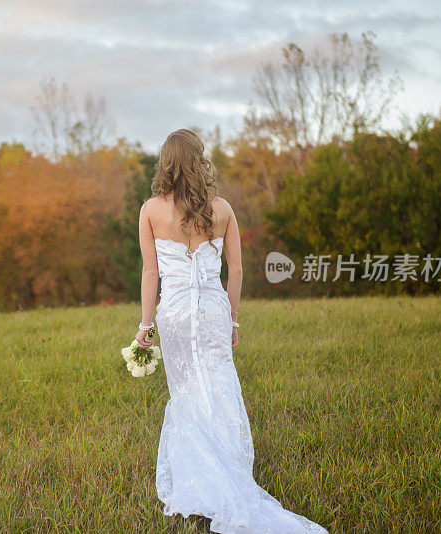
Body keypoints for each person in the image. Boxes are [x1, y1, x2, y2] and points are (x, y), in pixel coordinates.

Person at [135, 129, 327, 533]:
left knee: (185, 392)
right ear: (200, 161)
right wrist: (233, 318)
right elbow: (235, 271)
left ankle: (200, 483)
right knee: (221, 384)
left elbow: (150, 272)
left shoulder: (150, 209)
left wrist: (144, 325)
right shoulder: (222, 209)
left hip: (174, 314)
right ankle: (230, 474)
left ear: (166, 164)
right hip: (211, 310)